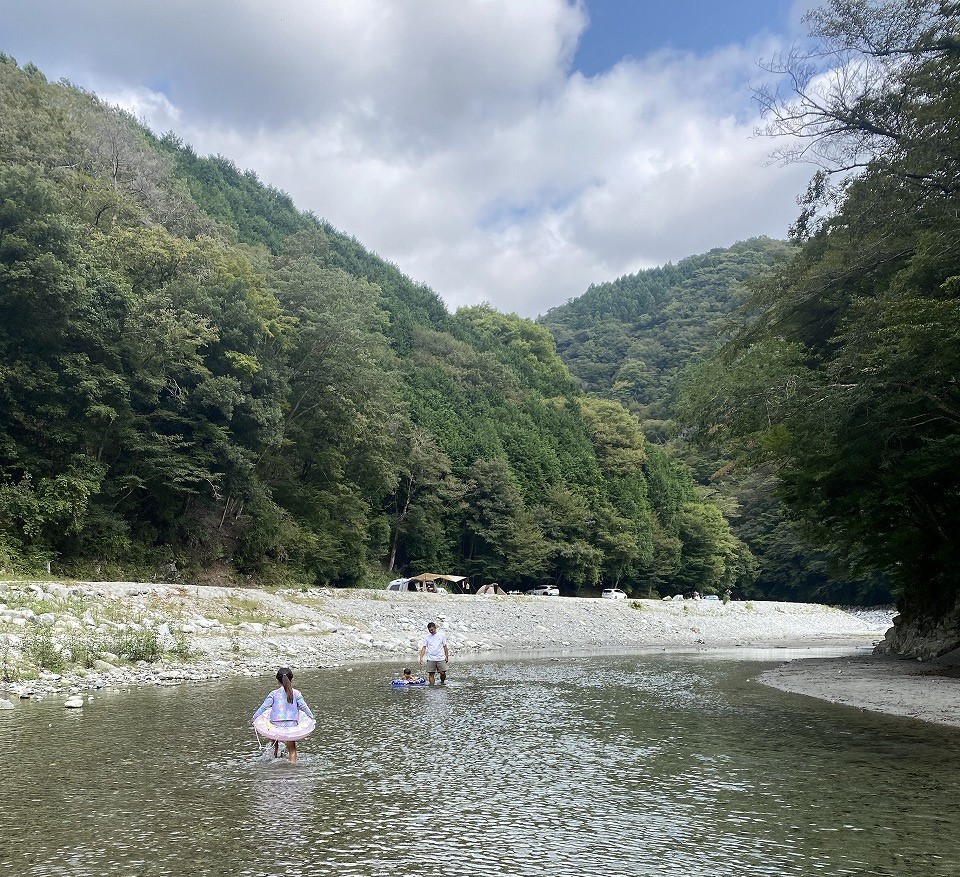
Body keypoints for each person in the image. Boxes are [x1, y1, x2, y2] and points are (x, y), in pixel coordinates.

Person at [252, 667, 315, 763]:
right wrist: (311, 717)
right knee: (292, 750)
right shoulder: (296, 693)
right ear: (291, 679)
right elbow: (304, 707)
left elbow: (264, 707)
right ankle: (292, 768)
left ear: (277, 680)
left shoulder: (273, 693)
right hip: (291, 726)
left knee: (274, 743)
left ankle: (275, 758)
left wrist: (254, 716)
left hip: (275, 725)